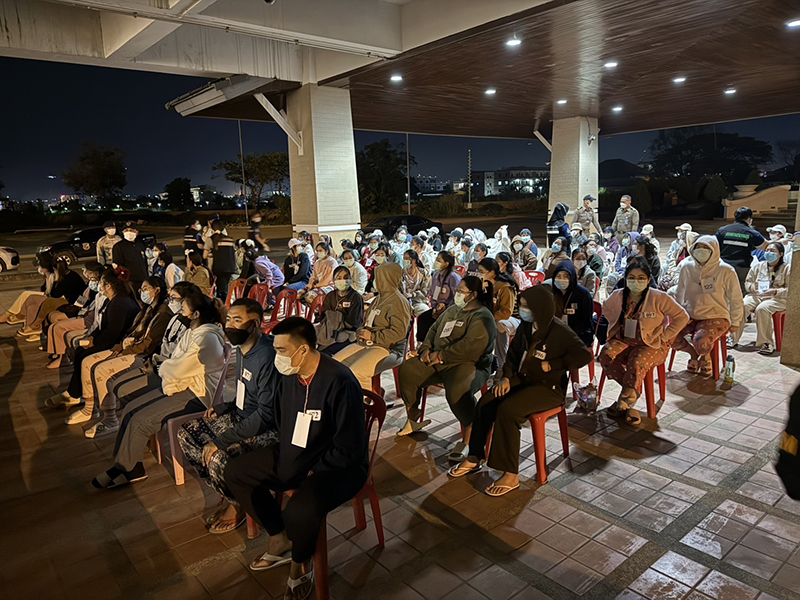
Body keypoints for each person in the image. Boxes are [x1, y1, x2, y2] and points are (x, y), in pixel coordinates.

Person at [223, 317, 368, 598]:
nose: (277, 357)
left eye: (281, 350)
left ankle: (300, 563)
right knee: (236, 471)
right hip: (296, 454)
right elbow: (278, 420)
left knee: (299, 511)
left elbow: (349, 447)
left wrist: (314, 469)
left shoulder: (339, 381)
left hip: (337, 466)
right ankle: (279, 539)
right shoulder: (291, 376)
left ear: (303, 349)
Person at [447, 285, 591, 496]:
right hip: (522, 379)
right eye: (522, 305)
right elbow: (512, 357)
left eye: (527, 306)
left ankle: (510, 474)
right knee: (487, 401)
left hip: (548, 388)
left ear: (540, 307)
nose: (523, 310)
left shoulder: (560, 332)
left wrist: (555, 364)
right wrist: (506, 378)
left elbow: (584, 356)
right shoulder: (526, 326)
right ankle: (474, 456)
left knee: (508, 410)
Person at [91, 294, 226, 489]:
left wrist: (158, 368)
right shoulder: (195, 331)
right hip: (182, 384)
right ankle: (124, 463)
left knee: (140, 420)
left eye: (183, 309)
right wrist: (160, 364)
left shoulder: (208, 339)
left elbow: (179, 368)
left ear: (196, 314)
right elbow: (176, 361)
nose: (180, 312)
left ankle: (131, 469)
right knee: (130, 409)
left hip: (197, 394)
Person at [177, 298, 281, 533]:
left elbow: (266, 414)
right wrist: (228, 407)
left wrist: (220, 441)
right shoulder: (242, 348)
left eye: (238, 320)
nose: (231, 325)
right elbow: (247, 391)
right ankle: (231, 493)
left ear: (255, 323)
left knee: (217, 455)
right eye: (229, 320)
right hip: (242, 417)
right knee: (187, 434)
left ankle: (238, 504)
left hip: (266, 428)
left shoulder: (266, 356)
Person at [397, 276, 497, 462]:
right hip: (437, 360)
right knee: (409, 370)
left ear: (473, 295)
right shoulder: (453, 310)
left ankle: (469, 437)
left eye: (461, 291)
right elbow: (434, 329)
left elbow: (470, 347)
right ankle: (413, 413)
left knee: (458, 391)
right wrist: (426, 349)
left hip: (468, 364)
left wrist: (440, 355)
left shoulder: (483, 316)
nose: (457, 294)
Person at [71, 276, 173, 430]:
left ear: (157, 290)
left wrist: (124, 349)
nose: (142, 292)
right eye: (141, 289)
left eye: (146, 289)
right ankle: (89, 408)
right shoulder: (148, 309)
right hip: (130, 347)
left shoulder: (163, 313)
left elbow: (148, 344)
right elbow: (133, 332)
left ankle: (110, 419)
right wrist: (121, 346)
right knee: (87, 362)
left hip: (141, 355)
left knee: (101, 369)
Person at [599, 262, 690, 424]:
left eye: (641, 278)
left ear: (648, 280)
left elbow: (682, 316)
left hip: (652, 344)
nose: (636, 281)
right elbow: (606, 308)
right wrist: (615, 323)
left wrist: (665, 336)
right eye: (632, 277)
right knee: (606, 355)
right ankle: (631, 391)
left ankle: (625, 400)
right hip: (624, 340)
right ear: (626, 279)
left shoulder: (659, 297)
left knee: (637, 361)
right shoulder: (618, 295)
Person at [98, 282, 199, 415]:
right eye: (169, 297)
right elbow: (162, 344)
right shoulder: (172, 316)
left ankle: (115, 416)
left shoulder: (189, 327)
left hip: (166, 370)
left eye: (174, 298)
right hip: (157, 362)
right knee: (117, 384)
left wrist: (156, 365)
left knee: (115, 382)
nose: (170, 301)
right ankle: (120, 414)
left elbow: (177, 358)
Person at [47, 267, 140, 410]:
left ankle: (78, 395)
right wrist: (91, 338)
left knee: (84, 356)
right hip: (109, 338)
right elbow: (102, 325)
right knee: (79, 351)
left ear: (108, 286)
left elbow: (113, 332)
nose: (99, 285)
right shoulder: (113, 300)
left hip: (118, 343)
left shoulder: (121, 302)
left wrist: (94, 343)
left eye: (101, 282)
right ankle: (75, 393)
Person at [333, 262, 411, 389]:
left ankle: (366, 400)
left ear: (387, 279)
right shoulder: (378, 299)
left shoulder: (399, 302)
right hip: (368, 343)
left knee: (356, 372)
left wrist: (373, 336)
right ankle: (344, 397)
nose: (375, 281)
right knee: (335, 364)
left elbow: (399, 333)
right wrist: (361, 331)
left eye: (378, 278)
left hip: (389, 348)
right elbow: (369, 322)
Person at [674, 236, 744, 377]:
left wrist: (736, 321)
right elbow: (679, 292)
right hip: (691, 315)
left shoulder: (726, 270)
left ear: (714, 250)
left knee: (701, 340)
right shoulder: (687, 267)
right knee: (668, 336)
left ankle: (706, 357)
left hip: (716, 316)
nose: (701, 251)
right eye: (698, 247)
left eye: (706, 248)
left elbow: (736, 299)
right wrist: (677, 316)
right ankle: (694, 355)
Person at [731, 241, 790, 354]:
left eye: (772, 251)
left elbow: (790, 289)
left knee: (762, 309)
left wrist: (775, 291)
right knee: (742, 305)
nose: (769, 253)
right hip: (757, 295)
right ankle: (733, 338)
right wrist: (753, 287)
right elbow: (748, 283)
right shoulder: (758, 266)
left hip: (777, 298)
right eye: (767, 250)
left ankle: (766, 343)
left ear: (781, 254)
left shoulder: (787, 268)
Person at [44, 262, 106, 369]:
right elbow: (82, 300)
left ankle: (61, 357)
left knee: (57, 326)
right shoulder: (90, 285)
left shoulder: (98, 290)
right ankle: (56, 349)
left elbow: (91, 306)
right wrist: (76, 307)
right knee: (53, 320)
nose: (84, 272)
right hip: (82, 311)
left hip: (87, 317)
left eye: (86, 271)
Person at [16, 257, 86, 341]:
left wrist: (56, 280)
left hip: (72, 304)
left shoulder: (68, 278)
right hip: (67, 300)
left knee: (49, 303)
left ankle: (35, 325)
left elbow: (55, 294)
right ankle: (36, 328)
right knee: (34, 303)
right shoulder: (69, 275)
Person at [478, 258, 519, 382]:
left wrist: (487, 317)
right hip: (492, 317)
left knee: (500, 325)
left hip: (513, 319)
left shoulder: (505, 287)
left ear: (492, 272)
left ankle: (502, 366)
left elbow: (506, 312)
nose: (479, 274)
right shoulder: (484, 285)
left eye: (482, 271)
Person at [316, 266, 365, 355]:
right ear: (334, 280)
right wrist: (336, 320)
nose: (343, 281)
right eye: (339, 278)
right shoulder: (330, 296)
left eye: (346, 277)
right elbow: (324, 317)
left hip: (349, 333)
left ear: (350, 279)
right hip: (328, 330)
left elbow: (352, 323)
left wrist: (336, 319)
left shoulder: (355, 297)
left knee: (325, 352)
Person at [716, 206, 767, 290]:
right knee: (739, 292)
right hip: (742, 269)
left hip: (723, 266)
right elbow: (765, 246)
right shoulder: (752, 233)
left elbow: (715, 246)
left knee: (721, 291)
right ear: (749, 219)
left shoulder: (722, 230)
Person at [416, 251, 461, 342]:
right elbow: (433, 294)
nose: (436, 262)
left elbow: (456, 298)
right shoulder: (436, 275)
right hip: (437, 309)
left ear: (446, 264)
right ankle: (422, 344)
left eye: (439, 260)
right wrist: (435, 308)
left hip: (450, 311)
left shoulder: (454, 278)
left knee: (439, 326)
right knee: (422, 319)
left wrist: (445, 309)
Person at [548, 261, 594, 347]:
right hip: (555, 333)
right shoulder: (551, 292)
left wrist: (567, 334)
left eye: (566, 276)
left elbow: (585, 322)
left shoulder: (583, 294)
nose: (561, 280)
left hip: (578, 334)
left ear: (572, 277)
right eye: (558, 276)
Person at [112, 222, 148, 292]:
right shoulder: (119, 246)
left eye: (131, 230)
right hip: (130, 281)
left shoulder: (139, 245)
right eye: (126, 231)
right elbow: (118, 265)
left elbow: (144, 262)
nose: (129, 233)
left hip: (143, 279)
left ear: (137, 233)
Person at [207, 219, 237, 300]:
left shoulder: (211, 239)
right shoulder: (230, 239)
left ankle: (222, 302)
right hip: (229, 267)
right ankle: (224, 301)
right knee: (225, 285)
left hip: (218, 267)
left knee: (220, 287)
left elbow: (204, 255)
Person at [402, 249, 431, 316]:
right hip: (403, 301)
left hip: (418, 301)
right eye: (404, 258)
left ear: (414, 260)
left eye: (407, 259)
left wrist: (413, 294)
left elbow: (425, 291)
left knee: (424, 310)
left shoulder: (423, 274)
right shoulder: (401, 273)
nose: (405, 261)